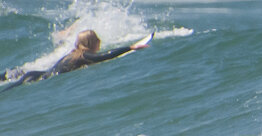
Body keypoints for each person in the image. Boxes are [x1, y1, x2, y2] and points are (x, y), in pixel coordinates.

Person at [1, 30, 150, 90]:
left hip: (35, 74)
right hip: (38, 78)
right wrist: (131, 47)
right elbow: (106, 55)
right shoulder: (84, 55)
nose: (100, 42)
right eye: (97, 39)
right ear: (93, 42)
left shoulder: (75, 53)